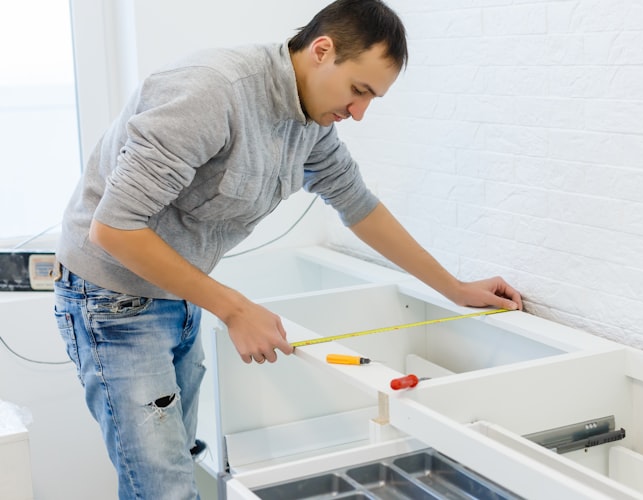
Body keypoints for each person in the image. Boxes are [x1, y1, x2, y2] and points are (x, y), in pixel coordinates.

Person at [53, 0, 523, 498]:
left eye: (372, 100)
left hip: (176, 293)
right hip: (111, 299)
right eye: (359, 91)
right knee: (163, 490)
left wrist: (453, 288)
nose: (359, 113)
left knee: (174, 477)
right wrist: (235, 309)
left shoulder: (312, 122)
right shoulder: (211, 91)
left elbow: (359, 206)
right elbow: (114, 228)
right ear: (323, 51)